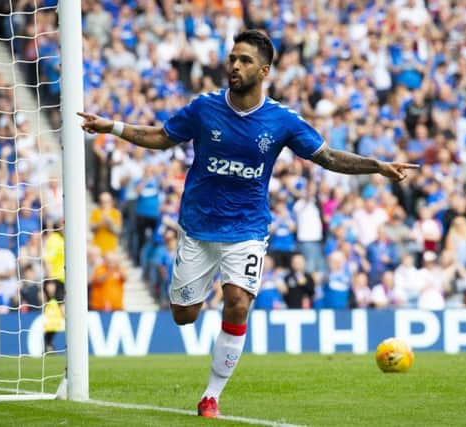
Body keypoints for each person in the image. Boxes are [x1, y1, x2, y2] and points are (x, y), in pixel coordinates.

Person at [78, 30, 418, 418]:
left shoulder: (282, 120)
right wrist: (114, 127)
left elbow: (326, 157)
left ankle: (211, 396)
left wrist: (377, 166)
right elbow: (161, 137)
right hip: (198, 226)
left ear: (264, 70)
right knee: (184, 315)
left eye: (243, 61)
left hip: (247, 229)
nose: (234, 66)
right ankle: (202, 292)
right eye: (232, 59)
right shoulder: (204, 108)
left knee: (237, 303)